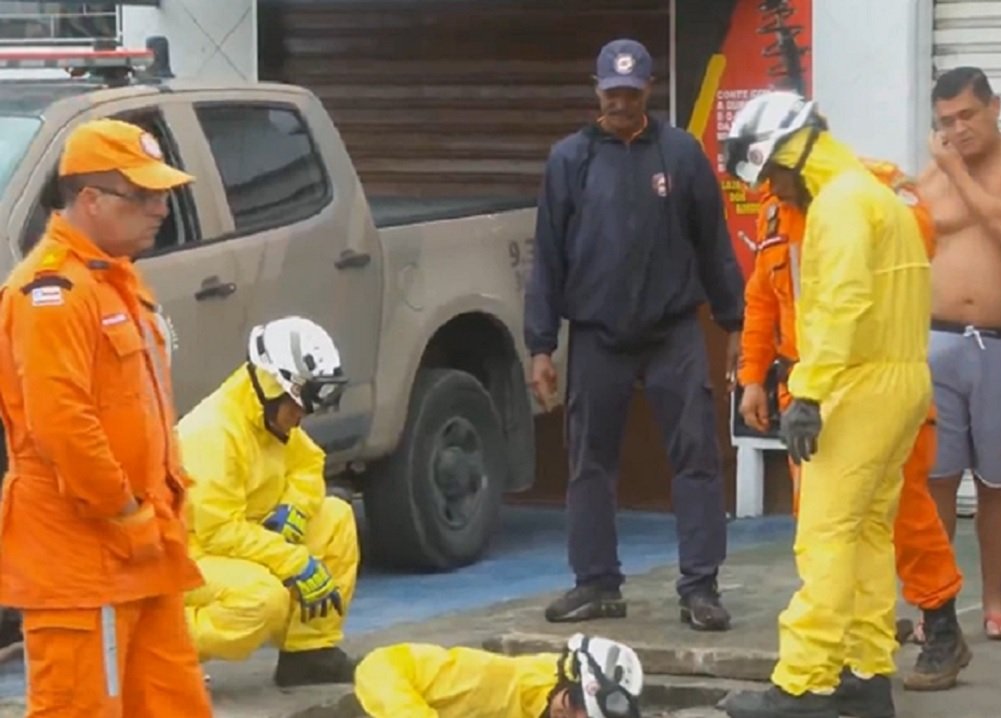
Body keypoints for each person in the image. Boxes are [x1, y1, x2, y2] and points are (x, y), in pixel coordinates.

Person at [720, 91, 933, 718]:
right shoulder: (874, 195)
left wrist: (807, 393)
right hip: (901, 380)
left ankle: (805, 681)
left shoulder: (839, 206)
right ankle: (867, 673)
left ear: (790, 151)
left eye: (773, 176)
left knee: (827, 533)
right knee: (868, 529)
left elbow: (838, 306)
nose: (776, 192)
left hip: (857, 385)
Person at [524, 37, 745, 630]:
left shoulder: (681, 154)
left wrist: (735, 324)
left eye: (631, 92)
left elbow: (714, 243)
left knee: (696, 456)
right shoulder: (570, 160)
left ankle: (700, 588)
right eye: (611, 93)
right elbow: (548, 258)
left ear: (649, 89)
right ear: (597, 92)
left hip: (674, 330)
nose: (620, 102)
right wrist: (540, 345)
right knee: (589, 462)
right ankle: (596, 584)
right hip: (597, 333)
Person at [0, 118, 212, 716]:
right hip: (84, 560)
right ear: (90, 200)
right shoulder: (52, 293)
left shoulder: (115, 280)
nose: (161, 208)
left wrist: (150, 518)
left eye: (162, 194)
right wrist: (125, 513)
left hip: (143, 552)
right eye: (143, 195)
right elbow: (62, 424)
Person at [737, 158, 971, 691]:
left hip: (873, 380)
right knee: (824, 527)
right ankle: (853, 649)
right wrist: (752, 376)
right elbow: (762, 296)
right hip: (809, 388)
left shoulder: (873, 192)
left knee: (904, 512)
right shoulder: (775, 210)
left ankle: (940, 626)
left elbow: (920, 244)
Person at [177, 315, 360, 686]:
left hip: (239, 537)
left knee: (336, 517)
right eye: (297, 405)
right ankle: (160, 651)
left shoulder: (269, 417)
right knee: (263, 598)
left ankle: (309, 655)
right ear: (271, 383)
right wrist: (294, 562)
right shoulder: (212, 432)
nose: (301, 417)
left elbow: (309, 463)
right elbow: (219, 532)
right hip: (191, 553)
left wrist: (294, 508)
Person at [918, 66, 1001, 641]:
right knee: (935, 477)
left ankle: (995, 598)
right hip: (937, 343)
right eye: (945, 122)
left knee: (997, 480)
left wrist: (953, 168)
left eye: (966, 116)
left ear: (995, 107)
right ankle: (938, 606)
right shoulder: (930, 178)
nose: (957, 130)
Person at [353, 633, 643, 718]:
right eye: (571, 704)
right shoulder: (501, 683)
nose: (570, 717)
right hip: (390, 681)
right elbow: (378, 666)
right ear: (566, 680)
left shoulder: (560, 684)